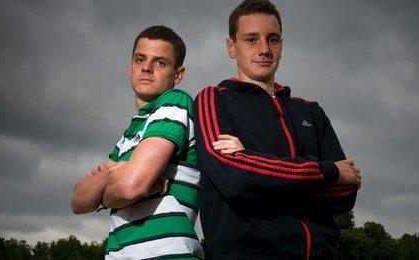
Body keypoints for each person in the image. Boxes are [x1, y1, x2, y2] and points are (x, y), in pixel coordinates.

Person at [194, 0, 362, 259]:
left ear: (281, 45)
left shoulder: (310, 111)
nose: (264, 49)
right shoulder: (213, 99)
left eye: (272, 39)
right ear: (231, 47)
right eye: (251, 39)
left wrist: (257, 166)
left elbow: (345, 192)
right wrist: (327, 171)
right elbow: (236, 180)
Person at [70, 26, 203, 259]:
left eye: (160, 62)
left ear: (178, 74)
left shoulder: (175, 103)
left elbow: (130, 186)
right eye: (140, 59)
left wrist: (114, 177)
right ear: (131, 65)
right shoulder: (128, 137)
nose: (146, 68)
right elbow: (78, 201)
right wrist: (114, 173)